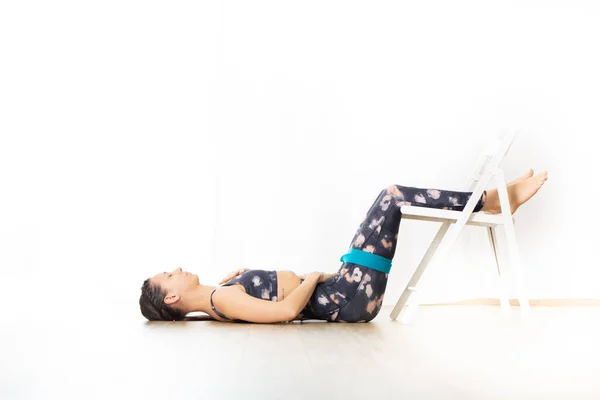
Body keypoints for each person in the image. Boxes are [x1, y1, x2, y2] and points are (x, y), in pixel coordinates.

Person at [139, 169, 548, 323]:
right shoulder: (222, 301)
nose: (176, 266)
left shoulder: (217, 297)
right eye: (169, 273)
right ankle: (492, 201)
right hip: (345, 297)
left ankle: (491, 199)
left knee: (390, 196)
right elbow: (284, 311)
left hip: (344, 291)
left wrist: (237, 280)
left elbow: (257, 299)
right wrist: (315, 275)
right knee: (392, 195)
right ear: (172, 294)